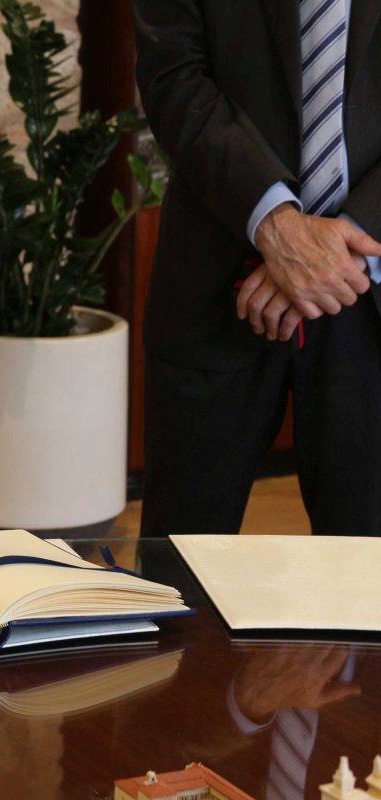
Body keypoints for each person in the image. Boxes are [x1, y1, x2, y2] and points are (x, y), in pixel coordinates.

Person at [132, 1, 381, 536]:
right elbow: (173, 74)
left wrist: (344, 246)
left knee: (371, 574)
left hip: (373, 291)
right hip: (216, 278)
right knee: (178, 562)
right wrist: (275, 224)